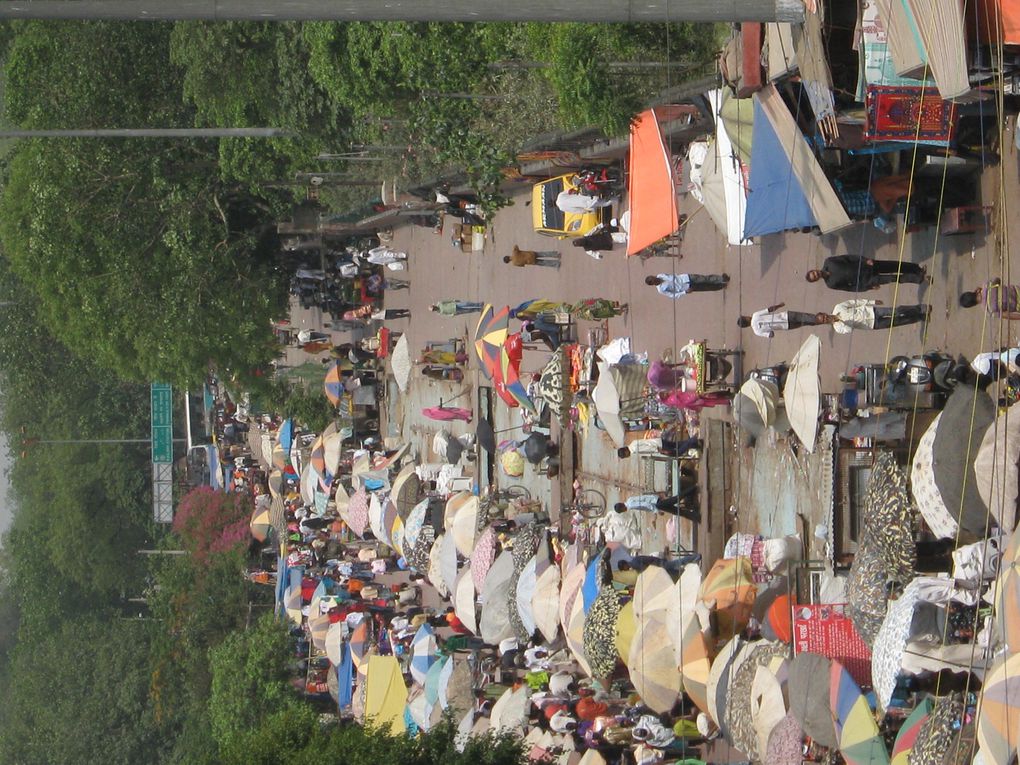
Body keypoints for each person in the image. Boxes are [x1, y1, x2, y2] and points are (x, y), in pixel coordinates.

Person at [805, 255, 928, 291]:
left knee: (893, 265)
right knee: (893, 278)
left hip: (866, 265)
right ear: (816, 280)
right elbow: (851, 288)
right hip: (867, 280)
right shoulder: (830, 284)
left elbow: (849, 257)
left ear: (814, 269)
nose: (816, 274)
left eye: (814, 272)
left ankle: (917, 269)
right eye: (815, 277)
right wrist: (868, 287)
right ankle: (918, 279)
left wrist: (865, 260)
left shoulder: (829, 261)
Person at [818, 300, 930, 333]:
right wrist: (839, 321)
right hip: (872, 324)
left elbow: (854, 302)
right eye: (824, 320)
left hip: (872, 311)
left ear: (825, 313)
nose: (826, 318)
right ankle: (919, 317)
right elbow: (849, 330)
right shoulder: (838, 328)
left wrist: (871, 301)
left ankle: (919, 308)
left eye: (824, 316)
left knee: (896, 311)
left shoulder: (838, 307)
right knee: (897, 321)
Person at [737, 303, 822, 338]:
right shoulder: (755, 315)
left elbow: (771, 335)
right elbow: (769, 310)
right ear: (746, 318)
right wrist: (779, 305)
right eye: (745, 317)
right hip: (786, 316)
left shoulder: (757, 332)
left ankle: (820, 321)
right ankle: (823, 318)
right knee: (805, 317)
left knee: (805, 323)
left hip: (786, 326)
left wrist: (769, 328)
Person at [645, 273, 729, 297]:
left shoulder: (660, 275)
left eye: (653, 276)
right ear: (653, 284)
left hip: (685, 277)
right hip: (686, 287)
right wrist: (685, 292)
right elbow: (672, 295)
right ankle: (720, 286)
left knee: (704, 278)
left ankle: (721, 279)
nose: (656, 278)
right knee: (705, 286)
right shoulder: (661, 289)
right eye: (654, 280)